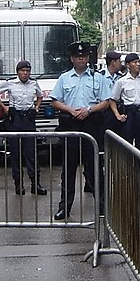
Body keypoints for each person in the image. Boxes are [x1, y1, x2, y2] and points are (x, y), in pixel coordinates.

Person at [51, 41, 109, 221]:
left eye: (83, 56)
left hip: (92, 124)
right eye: (77, 56)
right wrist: (70, 110)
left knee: (95, 169)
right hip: (71, 124)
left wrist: (89, 110)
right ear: (72, 59)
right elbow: (55, 100)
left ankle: (102, 207)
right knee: (68, 169)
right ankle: (64, 208)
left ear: (88, 58)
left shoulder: (97, 77)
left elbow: (106, 101)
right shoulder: (64, 78)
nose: (81, 59)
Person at [0, 60, 46, 195]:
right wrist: (4, 107)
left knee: (31, 153)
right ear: (18, 72)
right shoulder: (10, 82)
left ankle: (35, 184)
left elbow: (40, 96)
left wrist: (37, 107)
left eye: (27, 71)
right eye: (23, 71)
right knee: (15, 154)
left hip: (28, 119)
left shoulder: (34, 83)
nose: (25, 73)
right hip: (14, 119)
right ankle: (18, 185)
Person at [110, 53, 140, 157]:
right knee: (127, 146)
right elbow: (112, 100)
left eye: (139, 62)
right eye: (135, 62)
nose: (138, 64)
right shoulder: (121, 81)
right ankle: (127, 172)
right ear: (128, 65)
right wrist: (118, 115)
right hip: (129, 115)